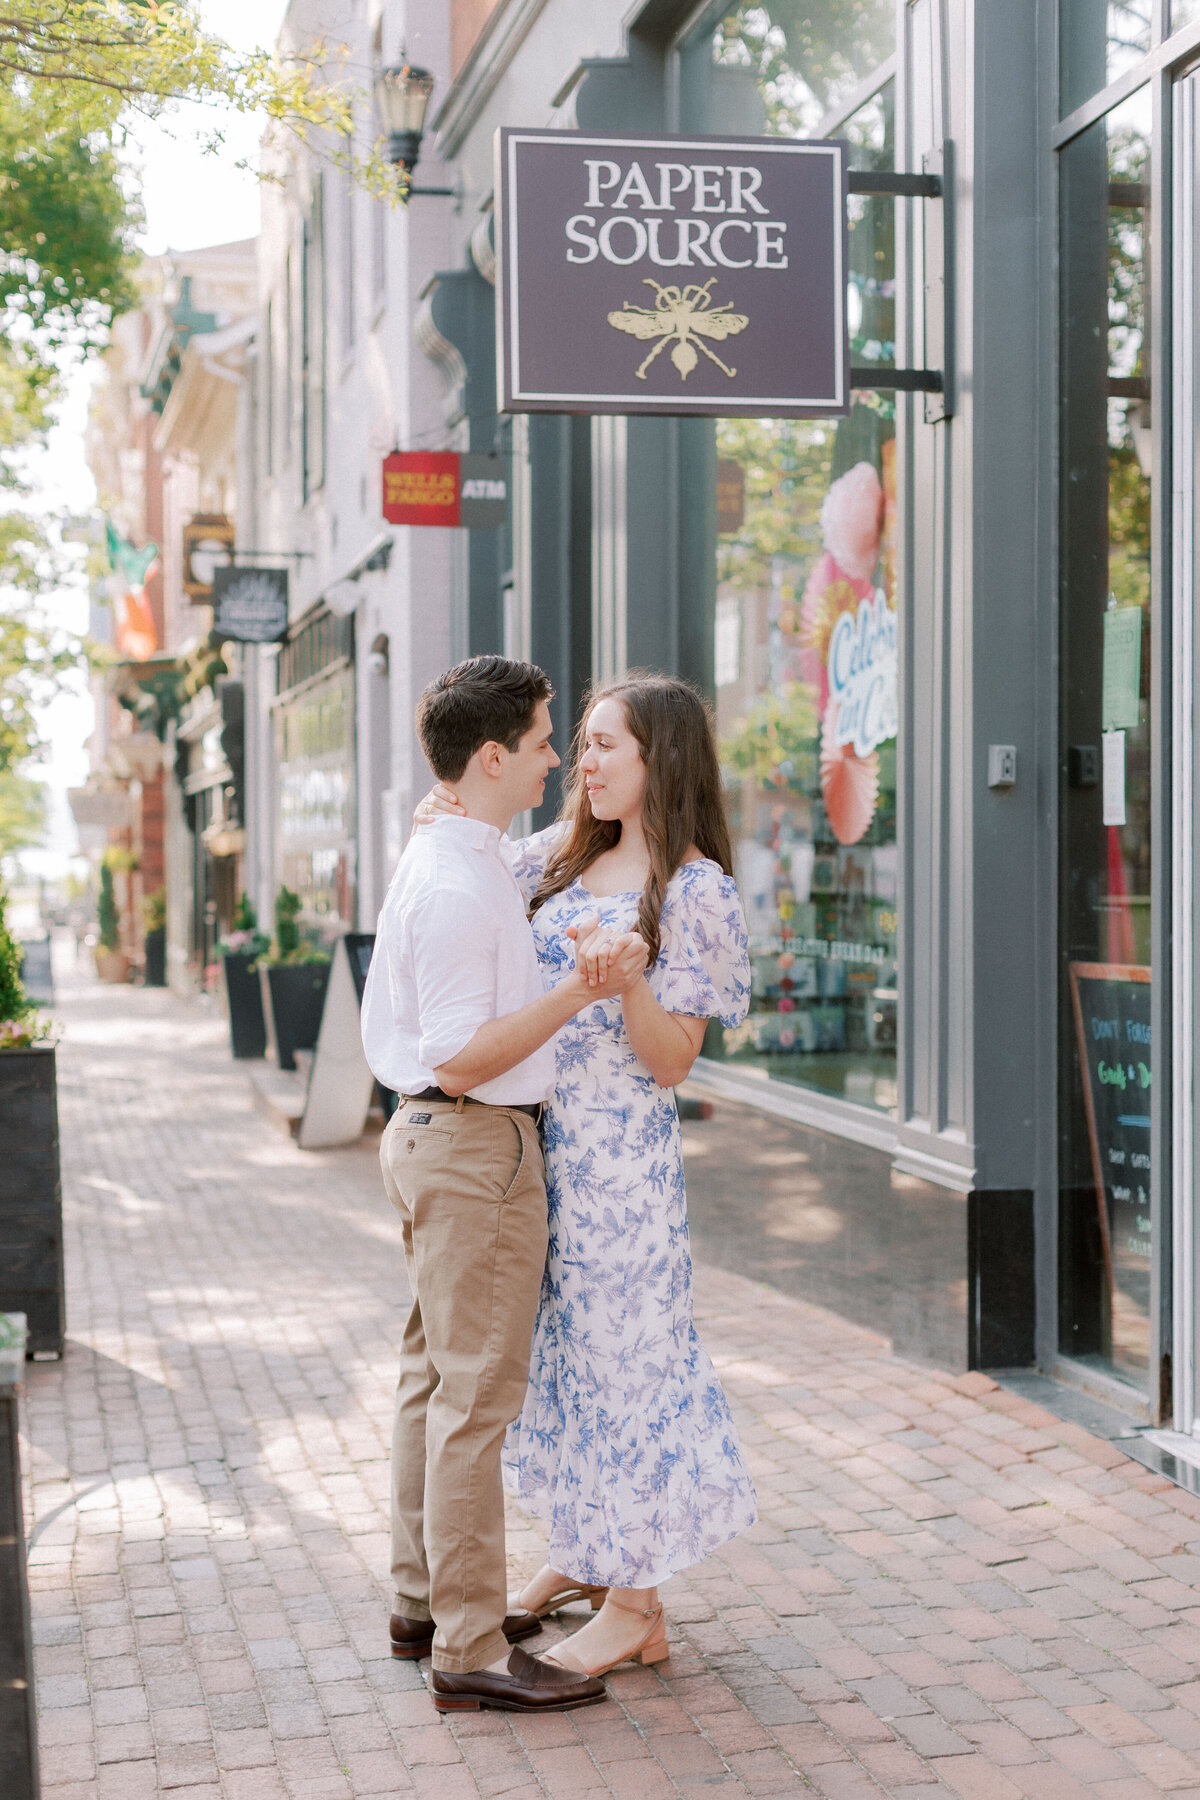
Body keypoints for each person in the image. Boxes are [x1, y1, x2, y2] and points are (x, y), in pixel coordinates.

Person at [418, 672, 758, 1679]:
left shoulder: (695, 892)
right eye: (582, 742)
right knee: (557, 1372)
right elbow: (469, 876)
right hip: (527, 1158)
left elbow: (672, 1062)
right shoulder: (550, 860)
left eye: (609, 744)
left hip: (620, 1176)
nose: (587, 761)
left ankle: (636, 1604)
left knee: (627, 1371)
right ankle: (583, 1555)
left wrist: (634, 979)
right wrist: (440, 816)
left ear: (664, 759)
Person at [361, 654, 649, 1715]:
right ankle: (470, 1647)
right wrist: (579, 990)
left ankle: (419, 1604)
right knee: (475, 1402)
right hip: (474, 1142)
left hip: (450, 1144)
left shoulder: (460, 844)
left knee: (434, 1382)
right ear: (491, 757)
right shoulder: (450, 878)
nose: (555, 758)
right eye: (537, 740)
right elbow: (461, 1053)